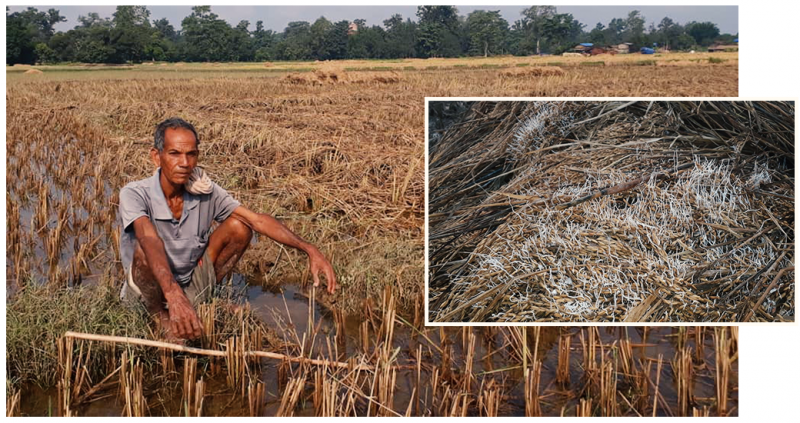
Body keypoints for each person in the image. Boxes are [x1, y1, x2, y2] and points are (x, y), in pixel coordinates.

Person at [118, 117, 336, 340]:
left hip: (188, 282)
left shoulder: (204, 191)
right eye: (174, 153)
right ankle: (160, 317)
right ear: (157, 156)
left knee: (240, 227)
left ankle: (202, 298)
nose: (184, 162)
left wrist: (309, 249)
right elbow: (148, 238)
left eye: (191, 154)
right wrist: (174, 297)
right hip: (148, 292)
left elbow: (257, 221)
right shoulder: (135, 193)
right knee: (146, 249)